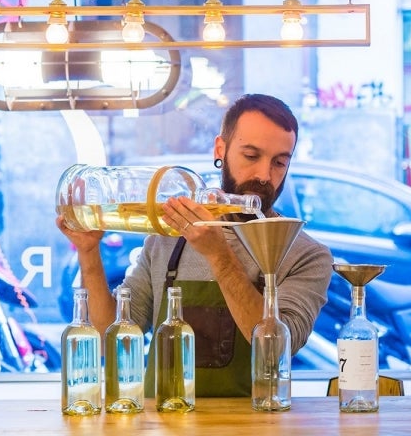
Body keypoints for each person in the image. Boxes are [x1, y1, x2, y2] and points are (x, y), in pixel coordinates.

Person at [56, 93, 333, 397]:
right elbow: (110, 336)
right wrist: (88, 251)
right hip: (163, 426)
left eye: (279, 162)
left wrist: (219, 255)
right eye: (251, 156)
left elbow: (276, 348)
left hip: (252, 428)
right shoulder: (168, 235)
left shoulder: (305, 255)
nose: (265, 176)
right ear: (220, 149)